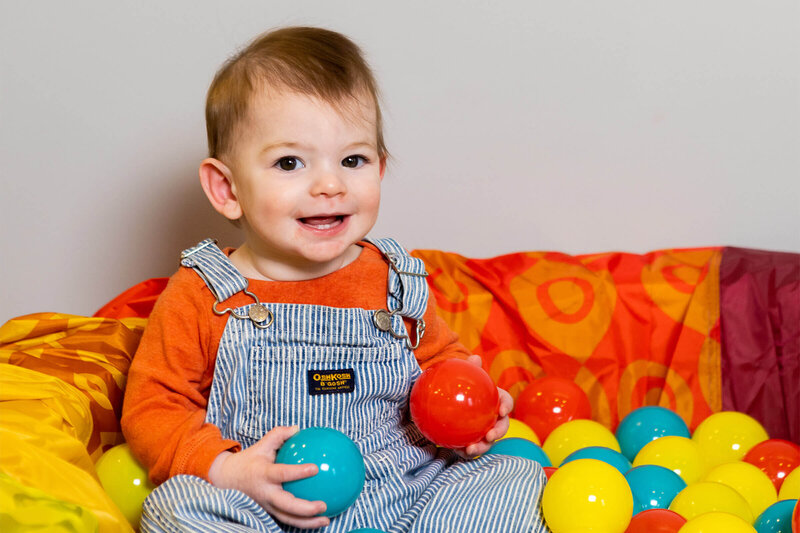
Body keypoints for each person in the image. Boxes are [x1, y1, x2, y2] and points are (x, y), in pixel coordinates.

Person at [121, 26, 548, 533]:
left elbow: (441, 363)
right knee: (176, 508)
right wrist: (227, 469)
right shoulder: (202, 293)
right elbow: (153, 406)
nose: (329, 184)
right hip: (272, 501)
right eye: (289, 162)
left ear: (381, 170)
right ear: (226, 188)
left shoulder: (395, 278)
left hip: (408, 491)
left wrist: (472, 415)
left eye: (352, 159)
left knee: (518, 475)